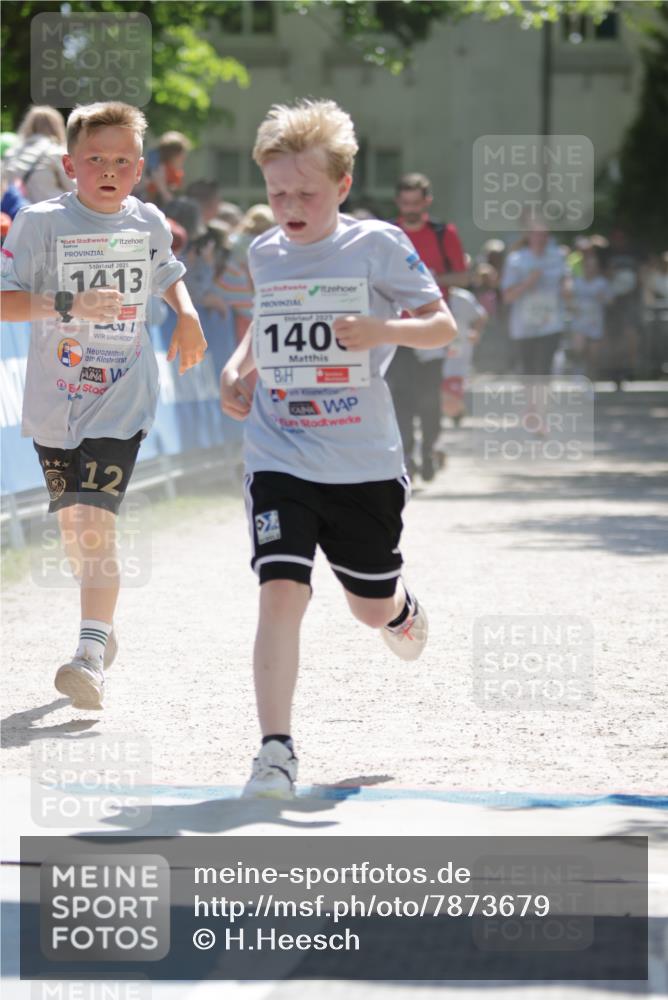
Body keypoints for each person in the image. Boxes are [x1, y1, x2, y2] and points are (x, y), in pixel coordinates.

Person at [220, 99, 456, 799]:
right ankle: (275, 752)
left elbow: (441, 326)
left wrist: (382, 330)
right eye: (277, 194)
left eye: (307, 193)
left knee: (368, 608)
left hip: (362, 461)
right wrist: (238, 368)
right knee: (280, 591)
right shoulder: (265, 252)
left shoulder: (377, 245)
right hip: (280, 450)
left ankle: (399, 607)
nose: (290, 208)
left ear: (343, 185)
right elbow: (268, 320)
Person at [0, 101, 207, 711]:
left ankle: (88, 657)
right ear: (70, 166)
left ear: (139, 168)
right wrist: (69, 304)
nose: (109, 170)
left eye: (122, 160)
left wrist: (188, 315)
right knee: (75, 530)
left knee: (95, 523)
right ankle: (101, 621)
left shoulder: (148, 221)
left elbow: (167, 272)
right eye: (95, 159)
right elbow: (4, 302)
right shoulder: (39, 223)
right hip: (55, 402)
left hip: (122, 397)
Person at [388, 172, 468, 480]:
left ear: (427, 202)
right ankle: (407, 455)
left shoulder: (443, 233)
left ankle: (429, 448)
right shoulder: (387, 234)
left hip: (433, 328)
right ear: (398, 202)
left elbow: (463, 276)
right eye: (405, 203)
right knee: (400, 396)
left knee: (429, 397)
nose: (410, 209)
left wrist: (431, 280)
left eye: (416, 203)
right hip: (395, 329)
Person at [2, 105, 74, 203]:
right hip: (51, 211)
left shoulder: (11, 154)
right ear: (57, 126)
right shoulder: (56, 152)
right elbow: (75, 188)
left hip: (18, 211)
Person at [441, 285, 488, 425]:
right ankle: (450, 413)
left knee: (454, 380)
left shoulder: (463, 298)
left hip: (460, 348)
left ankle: (455, 413)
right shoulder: (426, 294)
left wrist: (476, 332)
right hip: (434, 349)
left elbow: (481, 316)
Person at [570, 243, 613, 380]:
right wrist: (572, 306)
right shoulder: (576, 282)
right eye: (588, 266)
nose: (590, 269)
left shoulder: (602, 283)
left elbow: (610, 301)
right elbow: (568, 300)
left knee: (593, 355)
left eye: (593, 267)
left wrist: (603, 297)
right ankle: (578, 375)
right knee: (579, 349)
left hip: (595, 323)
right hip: (579, 323)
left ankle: (591, 378)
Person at [141, 130, 191, 207]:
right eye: (181, 155)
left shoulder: (177, 174)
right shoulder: (157, 171)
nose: (184, 158)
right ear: (172, 155)